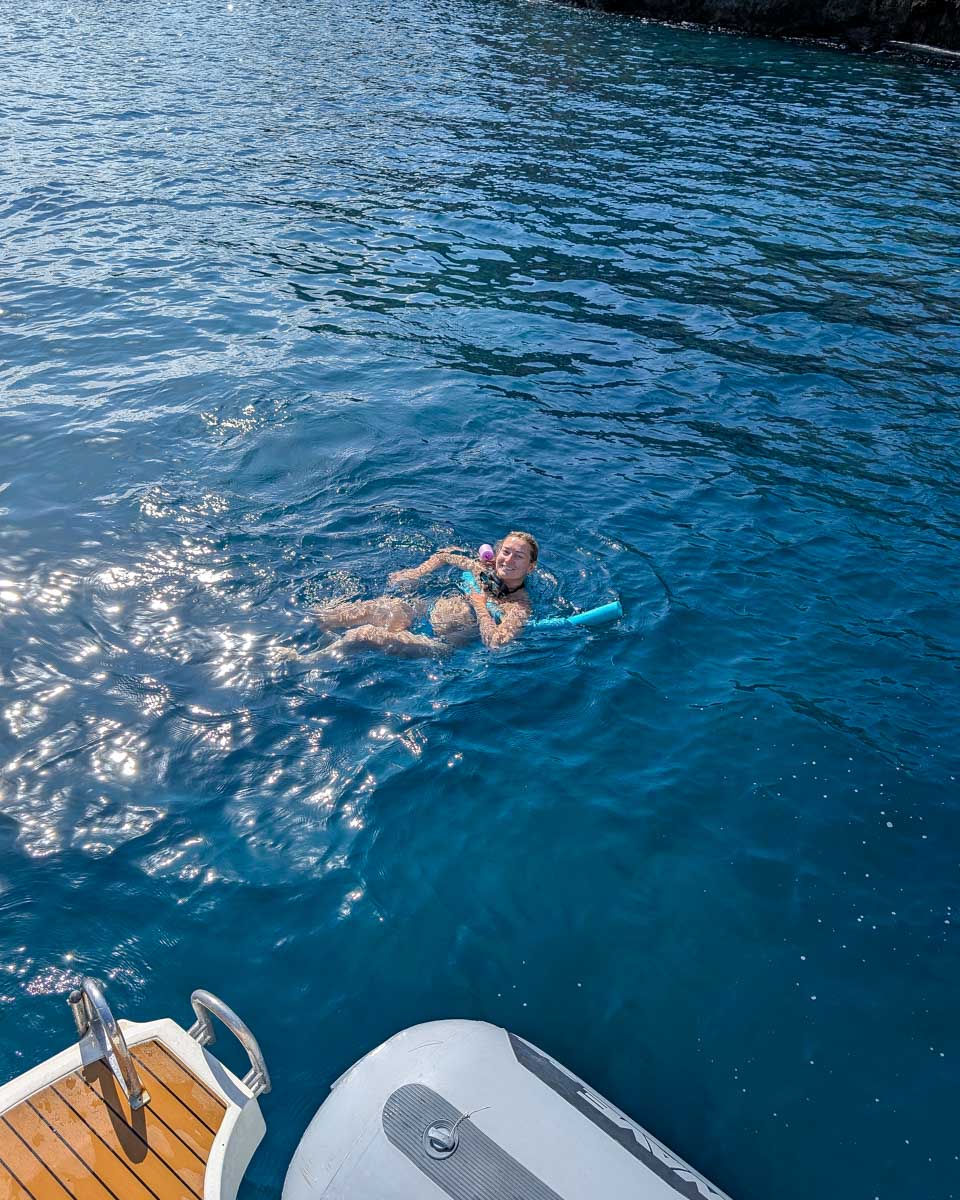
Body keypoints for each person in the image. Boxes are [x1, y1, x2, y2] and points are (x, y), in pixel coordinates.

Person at [304, 531, 539, 658]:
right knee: (360, 609)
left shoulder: (518, 606)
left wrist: (480, 607)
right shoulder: (482, 569)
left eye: (518, 556)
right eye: (506, 552)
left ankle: (304, 661)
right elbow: (444, 556)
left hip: (438, 643)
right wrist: (417, 572)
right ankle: (307, 625)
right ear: (496, 553)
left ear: (530, 567)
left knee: (364, 634)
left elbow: (495, 643)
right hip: (422, 611)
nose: (508, 559)